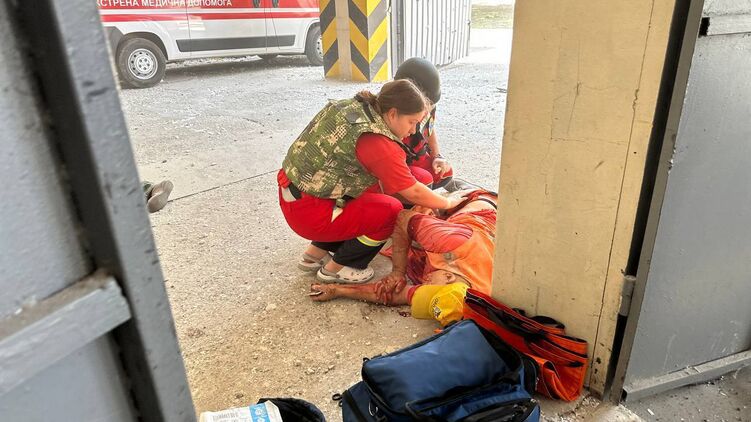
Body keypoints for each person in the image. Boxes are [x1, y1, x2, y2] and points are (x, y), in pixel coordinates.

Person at [278, 79, 466, 284]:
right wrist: (448, 202)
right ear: (393, 113)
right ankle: (339, 267)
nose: (413, 130)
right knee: (391, 211)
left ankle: (314, 254)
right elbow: (412, 191)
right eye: (411, 122)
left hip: (299, 193)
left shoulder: (354, 107)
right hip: (311, 212)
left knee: (414, 179)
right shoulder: (376, 140)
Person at [309, 189, 498, 327]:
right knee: (402, 211)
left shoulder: (457, 294)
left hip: (477, 237)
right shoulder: (449, 242)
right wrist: (398, 272)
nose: (424, 283)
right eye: (428, 284)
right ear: (448, 276)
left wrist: (338, 290)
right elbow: (403, 218)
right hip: (477, 206)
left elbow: (395, 295)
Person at [394, 58, 453, 190]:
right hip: (396, 163)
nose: (427, 110)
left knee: (444, 172)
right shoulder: (392, 112)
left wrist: (436, 156)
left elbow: (429, 128)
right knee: (423, 180)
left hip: (415, 155)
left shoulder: (428, 106)